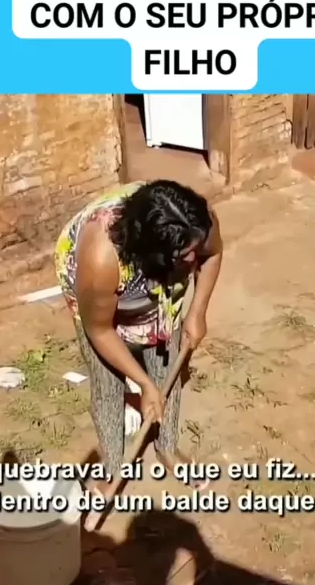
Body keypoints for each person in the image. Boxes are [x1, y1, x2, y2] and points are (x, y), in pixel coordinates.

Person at [54, 180, 223, 478]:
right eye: (183, 254)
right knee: (107, 381)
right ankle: (113, 465)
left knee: (166, 366)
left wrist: (197, 312)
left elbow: (211, 254)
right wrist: (144, 384)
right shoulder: (101, 258)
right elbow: (100, 331)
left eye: (193, 250)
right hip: (99, 286)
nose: (191, 260)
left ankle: (167, 449)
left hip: (156, 274)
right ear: (153, 250)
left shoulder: (195, 223)